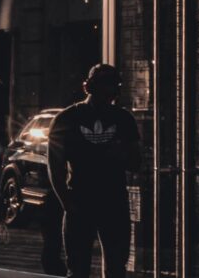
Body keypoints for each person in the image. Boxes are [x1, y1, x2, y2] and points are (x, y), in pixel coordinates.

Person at [47, 63, 140, 277]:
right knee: (102, 268)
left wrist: (68, 203)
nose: (110, 92)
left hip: (93, 201)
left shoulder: (67, 118)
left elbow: (55, 167)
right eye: (107, 86)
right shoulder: (122, 118)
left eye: (113, 86)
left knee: (86, 268)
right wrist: (68, 204)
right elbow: (55, 167)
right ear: (90, 87)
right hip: (99, 202)